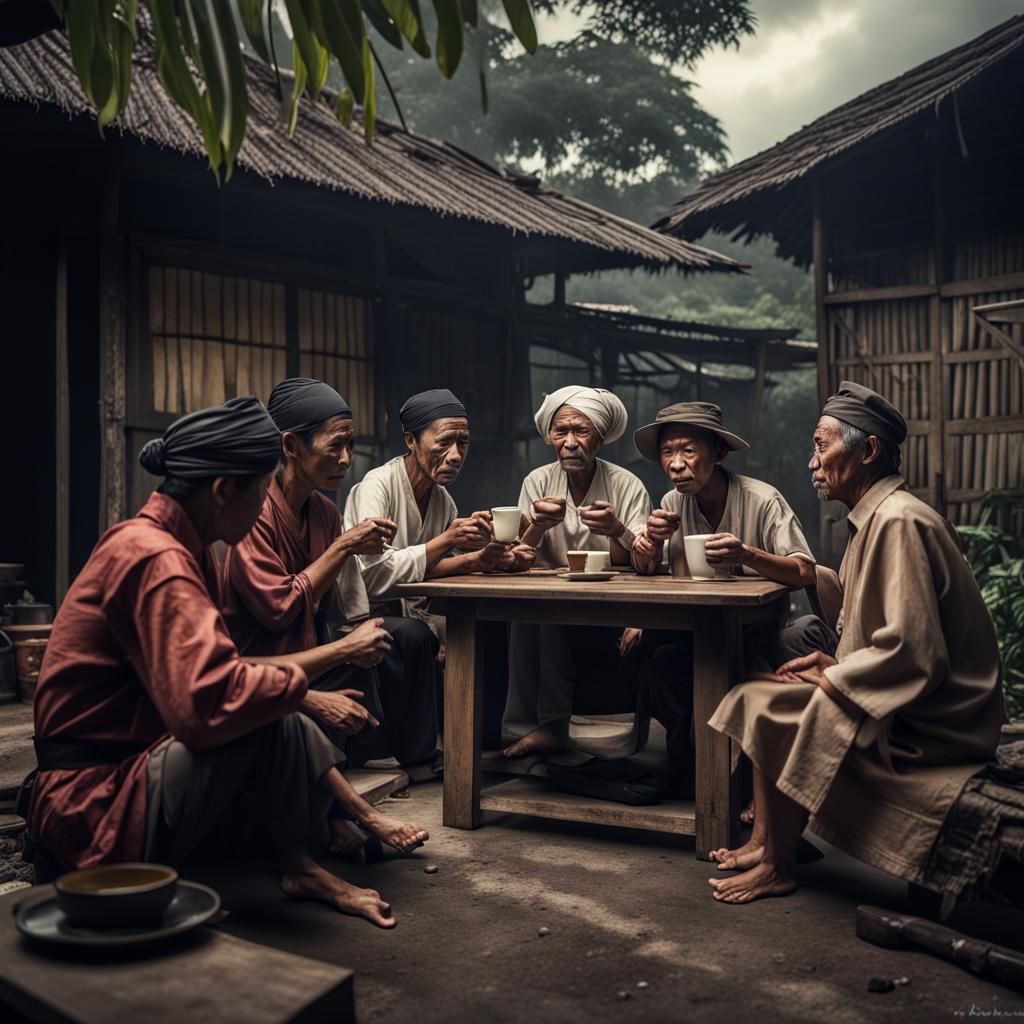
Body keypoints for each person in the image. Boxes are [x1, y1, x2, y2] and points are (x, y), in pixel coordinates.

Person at [27, 398, 405, 927]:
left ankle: (299, 864)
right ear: (224, 491)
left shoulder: (184, 545)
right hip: (93, 801)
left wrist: (292, 690)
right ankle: (296, 857)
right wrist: (301, 691)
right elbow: (203, 712)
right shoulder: (154, 556)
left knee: (282, 711)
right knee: (275, 717)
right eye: (258, 489)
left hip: (139, 765)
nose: (263, 504)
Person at [706, 382, 1004, 904]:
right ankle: (767, 841)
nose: (812, 462)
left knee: (766, 702)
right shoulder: (874, 519)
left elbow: (916, 651)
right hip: (901, 698)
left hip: (934, 723)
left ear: (866, 452)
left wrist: (835, 675)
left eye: (822, 446)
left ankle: (779, 862)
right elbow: (879, 632)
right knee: (758, 694)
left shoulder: (898, 521)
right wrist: (833, 661)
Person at [221, 378, 442, 783]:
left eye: (350, 445)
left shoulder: (323, 511)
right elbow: (279, 610)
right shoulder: (255, 510)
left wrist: (356, 634)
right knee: (354, 657)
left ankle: (414, 758)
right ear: (291, 447)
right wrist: (344, 547)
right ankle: (344, 758)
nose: (345, 458)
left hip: (312, 642)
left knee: (407, 636)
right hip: (265, 662)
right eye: (334, 446)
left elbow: (341, 601)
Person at [629, 402, 832, 795]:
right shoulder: (672, 502)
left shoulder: (761, 499)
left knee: (782, 651)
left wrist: (747, 555)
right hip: (695, 635)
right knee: (653, 662)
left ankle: (738, 785)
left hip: (756, 635)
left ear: (718, 453)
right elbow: (647, 569)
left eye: (688, 450)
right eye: (668, 452)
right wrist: (650, 542)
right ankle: (700, 773)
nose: (676, 464)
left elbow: (805, 570)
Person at [501, 385, 652, 759]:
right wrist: (537, 525)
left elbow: (644, 562)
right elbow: (519, 557)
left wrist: (616, 529)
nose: (570, 442)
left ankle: (565, 729)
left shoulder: (626, 484)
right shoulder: (537, 481)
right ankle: (527, 727)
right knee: (523, 614)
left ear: (599, 438)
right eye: (561, 432)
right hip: (550, 597)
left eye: (580, 431)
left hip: (615, 600)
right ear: (550, 436)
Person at [344, 388, 527, 643]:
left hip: (417, 613)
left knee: (491, 627)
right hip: (368, 615)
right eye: (444, 442)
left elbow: (434, 570)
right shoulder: (377, 486)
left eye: (462, 443)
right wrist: (449, 540)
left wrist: (485, 556)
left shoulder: (442, 501)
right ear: (411, 440)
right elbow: (374, 577)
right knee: (419, 637)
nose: (455, 456)